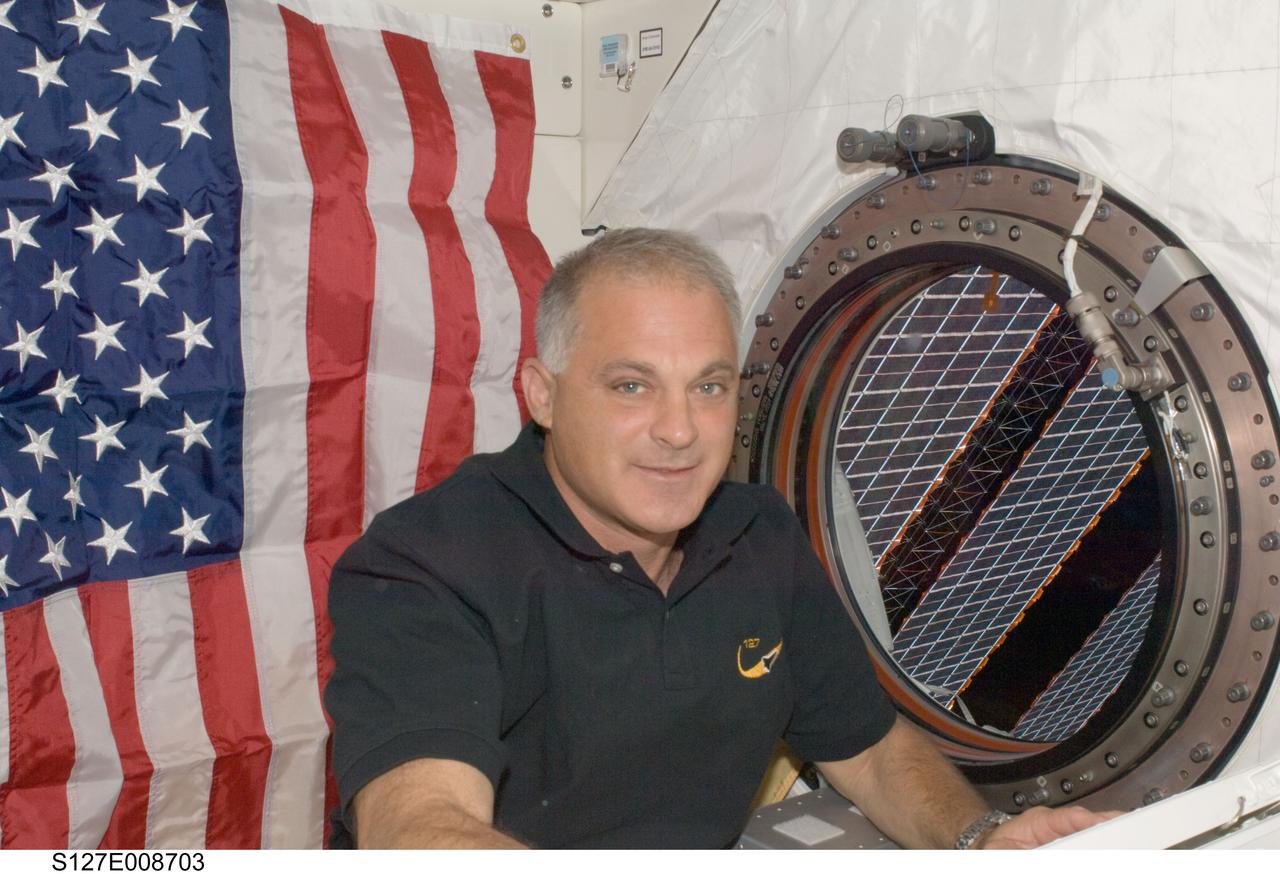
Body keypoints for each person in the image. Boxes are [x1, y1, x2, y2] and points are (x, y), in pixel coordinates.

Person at [324, 228, 1114, 849]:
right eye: (631, 386)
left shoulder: (758, 535)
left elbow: (870, 750)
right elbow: (417, 826)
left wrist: (979, 839)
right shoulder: (427, 563)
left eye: (708, 386)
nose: (679, 430)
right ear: (543, 395)